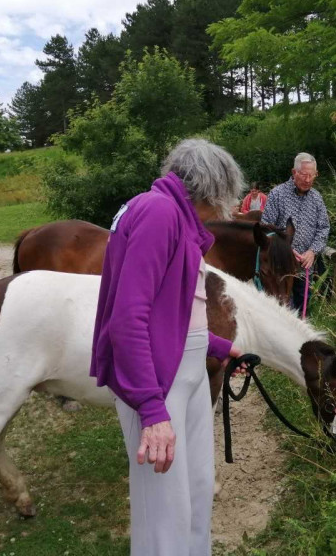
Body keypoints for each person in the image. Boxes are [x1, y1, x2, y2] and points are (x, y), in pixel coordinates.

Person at [90, 138, 246, 556]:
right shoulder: (159, 213)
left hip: (185, 373)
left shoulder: (177, 219)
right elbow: (127, 318)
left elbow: (175, 309)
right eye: (222, 199)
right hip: (159, 384)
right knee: (164, 507)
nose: (221, 211)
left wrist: (214, 344)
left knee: (195, 492)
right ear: (212, 190)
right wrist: (151, 408)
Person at [261, 152, 330, 311]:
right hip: (280, 267)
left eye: (312, 175)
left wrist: (312, 252)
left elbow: (323, 228)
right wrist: (286, 251)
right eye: (304, 175)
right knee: (281, 309)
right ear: (294, 172)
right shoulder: (277, 194)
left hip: (304, 267)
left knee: (303, 310)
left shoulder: (316, 198)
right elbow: (266, 227)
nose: (308, 180)